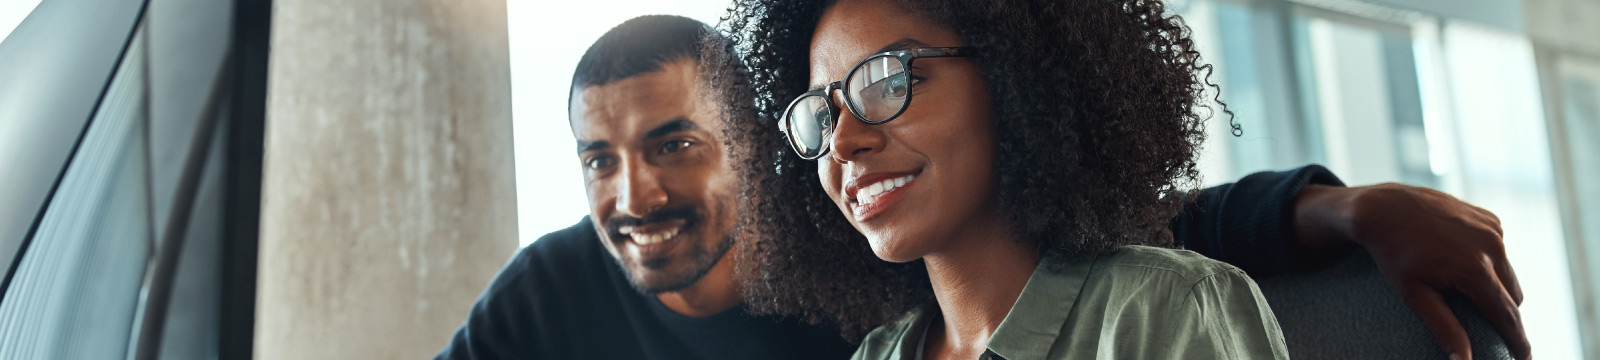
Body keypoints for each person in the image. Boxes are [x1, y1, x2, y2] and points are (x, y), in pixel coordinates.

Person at [435, 14, 1527, 360]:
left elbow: (1150, 236)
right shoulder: (547, 296)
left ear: (751, 152)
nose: (635, 193)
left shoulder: (1150, 305)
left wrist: (1337, 208)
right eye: (598, 158)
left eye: (675, 143)